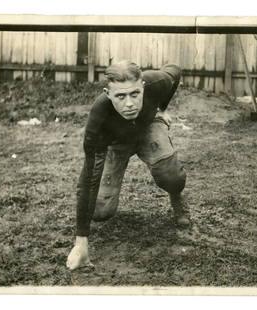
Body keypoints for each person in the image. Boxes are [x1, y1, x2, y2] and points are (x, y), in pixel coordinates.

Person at [66, 60, 190, 270]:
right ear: (108, 93)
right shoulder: (98, 119)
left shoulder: (157, 81)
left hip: (148, 127)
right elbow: (88, 179)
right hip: (116, 143)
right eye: (120, 97)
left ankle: (177, 198)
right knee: (100, 212)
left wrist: (162, 108)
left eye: (134, 94)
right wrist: (81, 242)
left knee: (171, 177)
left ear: (143, 86)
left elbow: (175, 70)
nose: (130, 103)